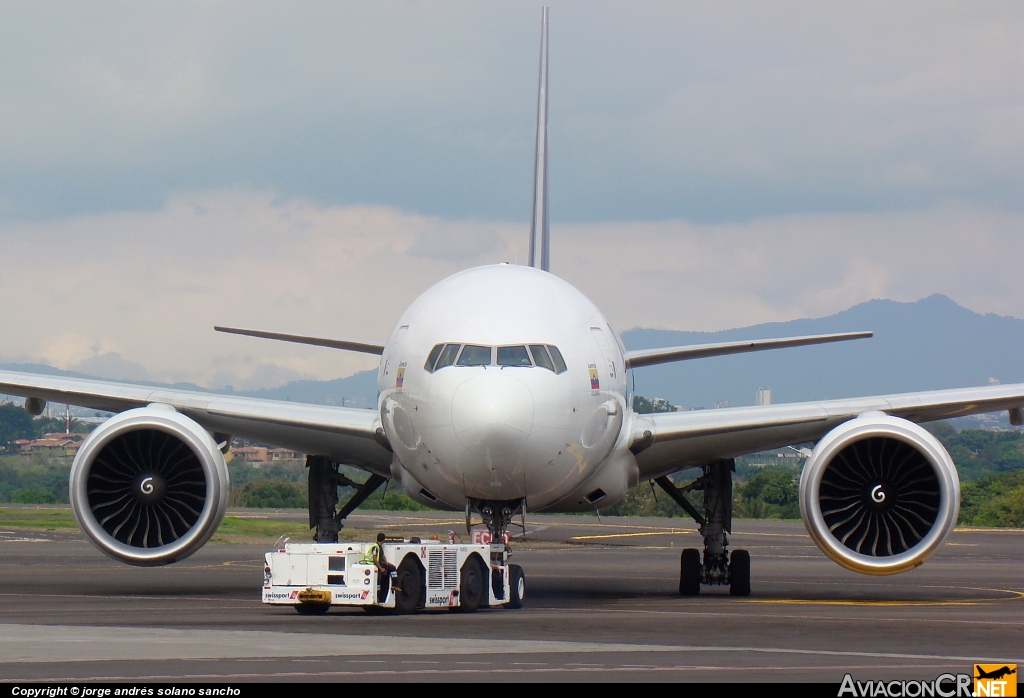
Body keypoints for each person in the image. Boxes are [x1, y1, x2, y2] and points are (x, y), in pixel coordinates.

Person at [362, 533, 398, 598]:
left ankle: (381, 594)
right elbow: (374, 559)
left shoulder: (379, 546)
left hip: (378, 563)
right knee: (380, 578)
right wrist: (381, 568)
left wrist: (386, 563)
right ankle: (394, 585)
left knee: (390, 567)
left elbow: (382, 555)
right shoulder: (375, 547)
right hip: (372, 563)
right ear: (383, 540)